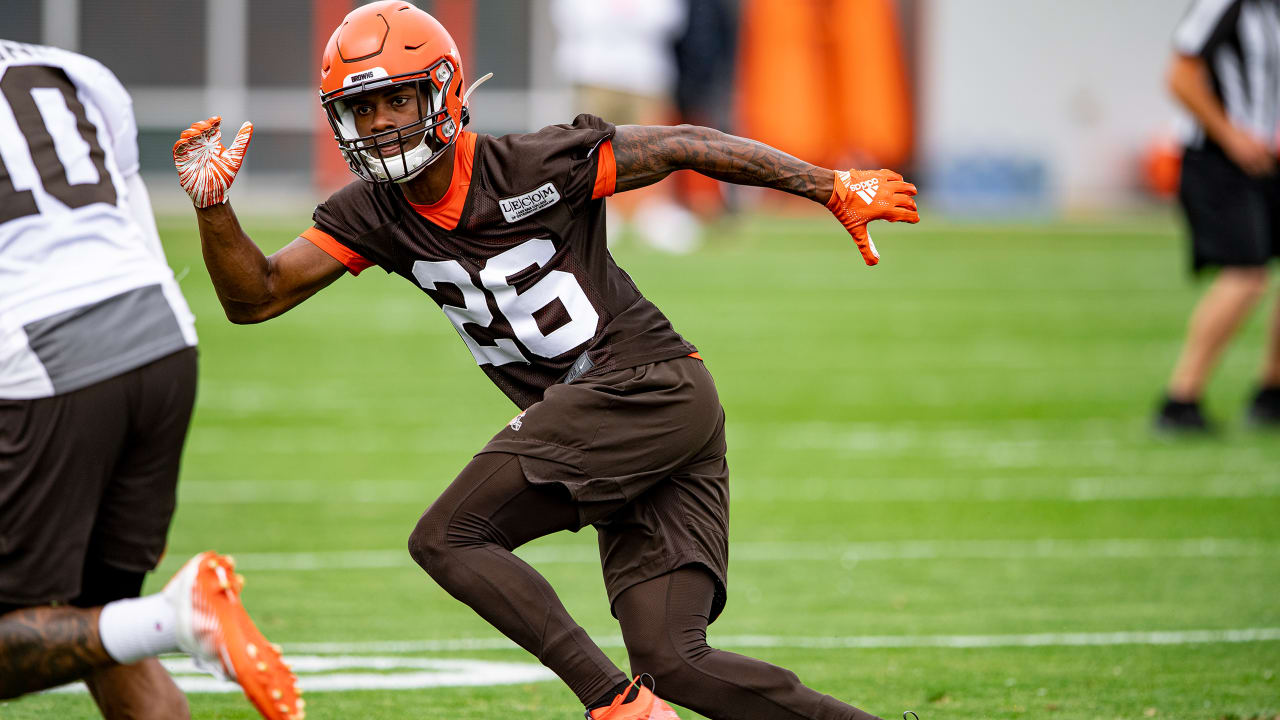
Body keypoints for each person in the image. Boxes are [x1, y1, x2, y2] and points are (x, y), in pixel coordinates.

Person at [173, 3, 917, 719]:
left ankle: (616, 705)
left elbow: (684, 142)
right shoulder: (374, 211)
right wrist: (214, 209)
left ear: (443, 89)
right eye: (361, 109)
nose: (379, 123)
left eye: (395, 99)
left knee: (447, 537)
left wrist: (826, 185)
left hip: (645, 388)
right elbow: (257, 297)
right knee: (677, 661)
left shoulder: (532, 163)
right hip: (630, 410)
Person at [0, 40, 300, 720]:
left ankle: (175, 618)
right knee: (94, 627)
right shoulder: (74, 69)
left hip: (45, 356)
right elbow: (128, 232)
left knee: (63, 632)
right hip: (162, 339)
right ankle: (163, 618)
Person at [1156, 0, 1280, 431]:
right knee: (1246, 275)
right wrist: (1232, 136)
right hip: (1219, 159)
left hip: (1270, 159)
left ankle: (1272, 393)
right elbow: (1180, 75)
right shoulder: (1223, 5)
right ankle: (1180, 399)